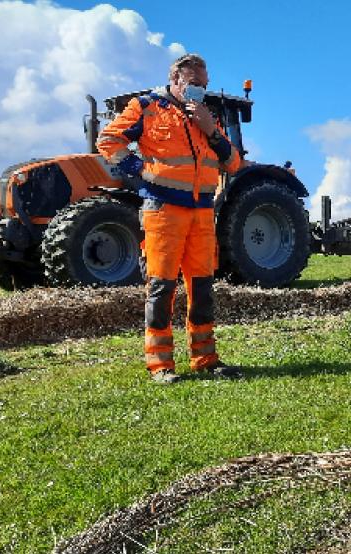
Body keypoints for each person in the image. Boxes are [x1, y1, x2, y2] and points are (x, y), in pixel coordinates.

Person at [97, 53, 243, 384]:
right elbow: (108, 141)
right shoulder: (146, 107)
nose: (199, 91)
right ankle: (160, 365)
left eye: (203, 86)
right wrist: (140, 172)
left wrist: (211, 130)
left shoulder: (207, 116)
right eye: (193, 85)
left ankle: (205, 358)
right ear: (175, 80)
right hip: (163, 211)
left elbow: (233, 164)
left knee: (202, 287)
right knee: (162, 286)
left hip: (202, 212)